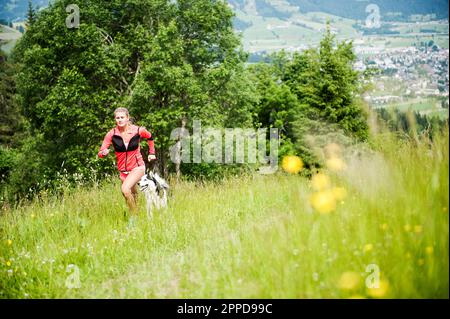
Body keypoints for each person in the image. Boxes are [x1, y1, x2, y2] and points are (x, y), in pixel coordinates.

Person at [98, 107, 156, 215]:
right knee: (130, 194)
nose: (120, 120)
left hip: (137, 167)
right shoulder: (112, 134)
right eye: (117, 118)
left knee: (125, 189)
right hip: (123, 170)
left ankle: (134, 217)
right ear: (115, 119)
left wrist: (151, 153)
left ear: (127, 118)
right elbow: (100, 152)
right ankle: (138, 214)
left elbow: (150, 137)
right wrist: (103, 153)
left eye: (122, 117)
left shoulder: (138, 130)